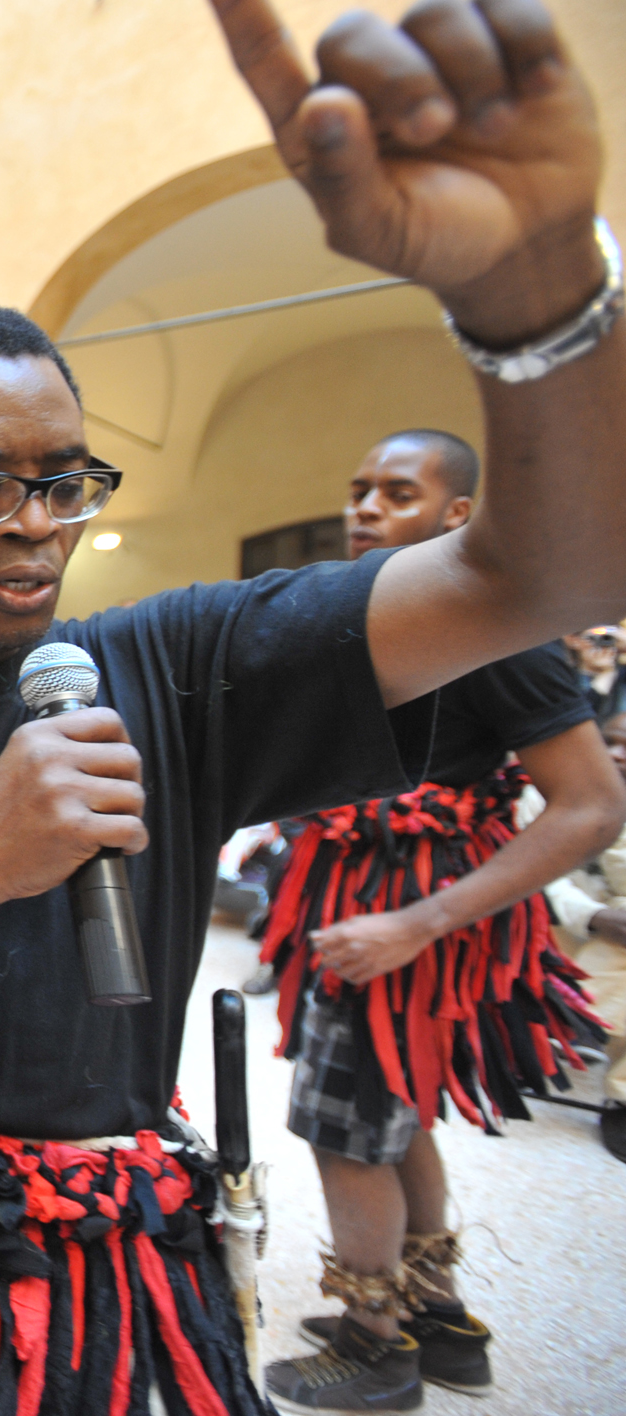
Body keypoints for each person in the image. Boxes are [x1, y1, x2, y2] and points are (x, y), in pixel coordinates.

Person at [0, 2, 626, 1410]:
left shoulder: (174, 667)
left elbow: (551, 569)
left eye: (65, 482)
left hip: (99, 1296)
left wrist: (533, 301)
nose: (35, 525)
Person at [253, 430, 622, 1409]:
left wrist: (417, 923)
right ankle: (438, 1318)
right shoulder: (373, 614)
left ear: (457, 515)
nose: (364, 507)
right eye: (358, 488)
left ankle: (377, 1347)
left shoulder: (496, 629)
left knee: (344, 1130)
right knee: (392, 1116)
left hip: (407, 926)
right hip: (367, 908)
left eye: (397, 492)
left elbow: (590, 804)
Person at [536, 709, 626, 1161]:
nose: (616, 754)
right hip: (560, 923)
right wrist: (596, 916)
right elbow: (535, 877)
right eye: (609, 741)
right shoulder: (544, 789)